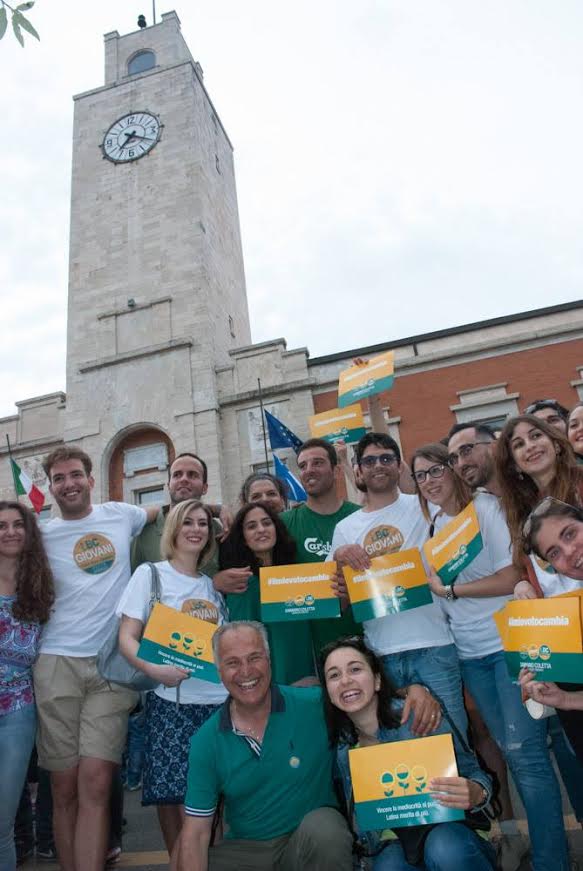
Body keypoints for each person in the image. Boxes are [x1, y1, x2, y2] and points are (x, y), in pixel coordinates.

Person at [412, 443, 569, 871]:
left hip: (508, 647)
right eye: (420, 476)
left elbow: (512, 574)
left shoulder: (486, 509)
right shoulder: (434, 527)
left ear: (453, 469)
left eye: (436, 469)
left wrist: (452, 590)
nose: (429, 480)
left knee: (527, 755)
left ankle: (552, 861)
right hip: (469, 654)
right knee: (510, 749)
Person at [33, 446, 157, 871]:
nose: (68, 484)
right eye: (59, 479)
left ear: (90, 478)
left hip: (110, 667)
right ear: (50, 487)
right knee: (64, 789)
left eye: (75, 475)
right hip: (56, 665)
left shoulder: (122, 515)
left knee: (98, 782)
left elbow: (164, 513)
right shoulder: (42, 534)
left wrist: (223, 510)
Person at [172, 620, 354, 871]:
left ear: (269, 660)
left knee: (326, 827)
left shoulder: (315, 705)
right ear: (218, 670)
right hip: (248, 851)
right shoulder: (207, 740)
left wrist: (414, 692)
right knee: (181, 855)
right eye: (233, 663)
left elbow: (369, 702)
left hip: (305, 843)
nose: (246, 671)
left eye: (254, 657)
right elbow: (197, 833)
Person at [331, 433, 470, 753]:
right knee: (401, 752)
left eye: (386, 458)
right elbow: (339, 602)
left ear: (399, 465)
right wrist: (339, 561)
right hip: (381, 655)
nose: (378, 465)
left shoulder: (427, 508)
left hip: (435, 645)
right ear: (358, 471)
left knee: (454, 749)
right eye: (369, 460)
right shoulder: (345, 529)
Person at [321, 637, 496, 871]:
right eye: (334, 675)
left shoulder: (417, 715)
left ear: (377, 680)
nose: (345, 680)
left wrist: (478, 792)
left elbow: (474, 772)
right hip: (394, 843)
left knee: (443, 847)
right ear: (329, 693)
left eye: (355, 669)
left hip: (451, 831)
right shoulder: (343, 749)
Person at [118, 499, 227, 854]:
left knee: (214, 807)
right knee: (181, 809)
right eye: (188, 522)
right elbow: (126, 639)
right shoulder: (150, 575)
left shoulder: (212, 587)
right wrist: (153, 669)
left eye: (202, 523)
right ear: (174, 530)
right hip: (172, 708)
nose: (196, 529)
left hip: (217, 706)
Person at [0, 501, 54, 871]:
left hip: (18, 710)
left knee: (2, 824)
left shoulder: (40, 583)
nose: (10, 532)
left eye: (18, 524)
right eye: (1, 526)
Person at [281, 438, 362, 652]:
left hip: (364, 641)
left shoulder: (360, 518)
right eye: (303, 466)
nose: (309, 470)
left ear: (336, 471)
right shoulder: (284, 523)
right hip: (308, 649)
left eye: (317, 463)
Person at [219, 503, 314, 684]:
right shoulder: (241, 584)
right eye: (252, 526)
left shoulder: (298, 578)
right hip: (266, 687)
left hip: (305, 680)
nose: (261, 530)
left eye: (266, 523)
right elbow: (243, 643)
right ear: (244, 538)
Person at [520, 497, 583, 763]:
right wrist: (563, 699)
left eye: (570, 533)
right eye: (554, 553)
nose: (568, 551)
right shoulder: (565, 616)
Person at [495, 414, 583, 597]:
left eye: (536, 436)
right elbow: (530, 569)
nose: (530, 446)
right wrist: (524, 583)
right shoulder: (520, 512)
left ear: (556, 444)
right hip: (563, 618)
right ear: (515, 465)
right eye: (519, 445)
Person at [132, 452, 230, 577]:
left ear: (205, 488)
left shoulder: (217, 531)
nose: (184, 479)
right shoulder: (144, 533)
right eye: (177, 475)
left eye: (192, 475)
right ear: (168, 485)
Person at [447, 422, 500, 496]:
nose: (461, 464)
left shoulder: (521, 486)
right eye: (454, 459)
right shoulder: (485, 505)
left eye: (466, 451)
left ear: (494, 447)